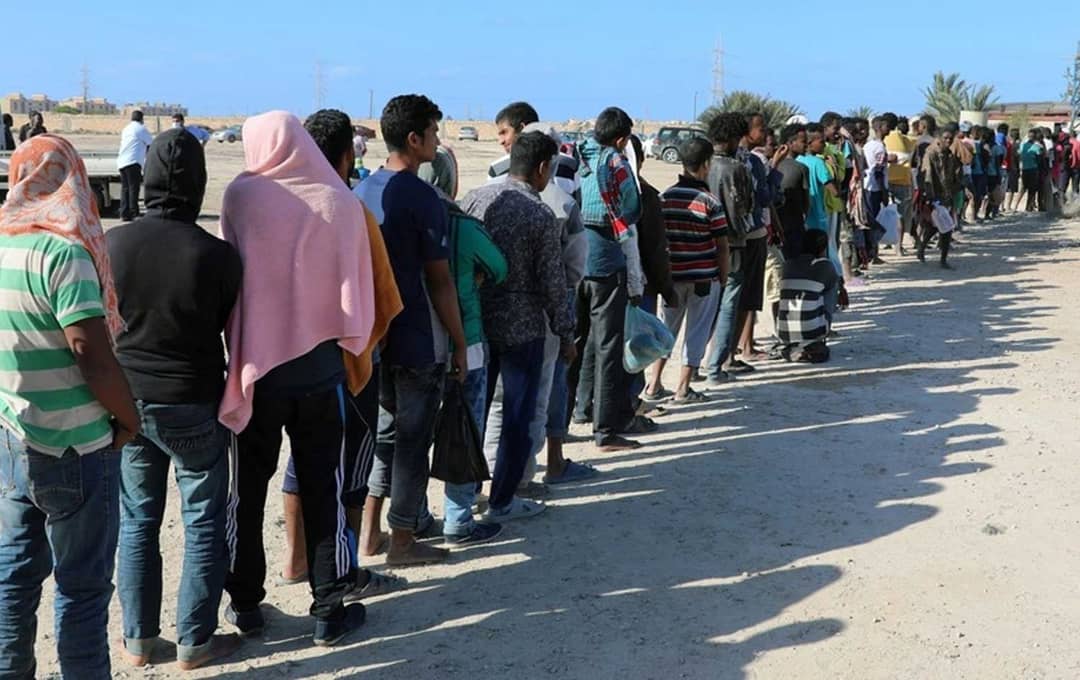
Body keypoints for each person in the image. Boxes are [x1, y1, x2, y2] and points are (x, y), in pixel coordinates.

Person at [219, 111, 375, 646]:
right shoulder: (340, 200)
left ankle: (245, 604)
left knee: (247, 491)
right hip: (321, 372)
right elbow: (357, 286)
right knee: (323, 489)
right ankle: (329, 608)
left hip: (258, 371)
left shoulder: (242, 196)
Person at [0, 134, 141, 680]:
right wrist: (129, 418)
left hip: (14, 435)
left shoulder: (5, 244)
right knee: (82, 587)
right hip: (76, 444)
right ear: (74, 180)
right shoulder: (64, 253)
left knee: (15, 574)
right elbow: (93, 357)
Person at [107, 128, 242, 670]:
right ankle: (194, 643)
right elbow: (227, 325)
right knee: (202, 522)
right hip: (193, 401)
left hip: (128, 402)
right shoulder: (218, 255)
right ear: (199, 184)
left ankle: (138, 641)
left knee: (138, 521)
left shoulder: (114, 244)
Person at [275, 110, 407, 601]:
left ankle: (295, 559)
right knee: (350, 467)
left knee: (301, 460)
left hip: (285, 357)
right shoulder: (350, 211)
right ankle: (346, 570)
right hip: (347, 362)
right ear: (349, 155)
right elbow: (382, 296)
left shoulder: (273, 204)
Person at [354, 95, 466, 567]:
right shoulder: (423, 197)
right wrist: (460, 343)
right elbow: (439, 280)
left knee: (382, 437)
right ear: (415, 138)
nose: (438, 141)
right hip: (416, 335)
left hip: (371, 336)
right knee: (412, 441)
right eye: (434, 132)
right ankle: (403, 540)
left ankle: (369, 532)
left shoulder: (361, 190)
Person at [461, 131, 576, 521]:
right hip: (523, 328)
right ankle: (502, 501)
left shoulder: (475, 199)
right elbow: (553, 282)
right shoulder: (539, 214)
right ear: (543, 168)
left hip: (476, 323)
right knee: (516, 417)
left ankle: (465, 496)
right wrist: (566, 332)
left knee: (473, 414)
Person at [426, 177, 507, 543]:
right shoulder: (463, 228)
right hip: (467, 344)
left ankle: (412, 516)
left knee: (415, 436)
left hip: (415, 344)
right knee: (463, 429)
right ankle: (458, 518)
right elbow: (499, 267)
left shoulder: (399, 217)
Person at [570, 106, 647, 451]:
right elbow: (632, 208)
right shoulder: (616, 163)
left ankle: (567, 420)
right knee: (607, 348)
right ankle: (605, 430)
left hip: (576, 261)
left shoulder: (576, 156)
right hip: (606, 263)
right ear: (621, 139)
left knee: (575, 343)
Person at [646, 137, 729, 403]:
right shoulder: (710, 202)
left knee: (666, 331)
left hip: (672, 277)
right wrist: (723, 277)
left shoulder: (665, 198)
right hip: (704, 277)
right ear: (706, 164)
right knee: (697, 332)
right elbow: (722, 246)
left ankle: (653, 385)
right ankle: (683, 388)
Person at [703, 112, 753, 386]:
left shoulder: (704, 163)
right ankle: (715, 367)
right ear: (734, 138)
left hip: (703, 245)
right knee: (727, 306)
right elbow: (744, 206)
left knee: (704, 309)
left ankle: (695, 364)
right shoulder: (735, 168)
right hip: (732, 244)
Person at [490, 101, 580, 196]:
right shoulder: (569, 164)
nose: (501, 141)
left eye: (504, 132)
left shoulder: (497, 168)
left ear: (522, 129)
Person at [776, 229, 838, 363]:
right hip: (812, 331)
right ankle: (820, 333)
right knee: (832, 285)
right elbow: (830, 286)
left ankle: (797, 345)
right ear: (823, 248)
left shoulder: (787, 264)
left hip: (784, 332)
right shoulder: (824, 265)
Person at [918, 123, 962, 269]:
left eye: (951, 138)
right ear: (939, 138)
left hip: (946, 194)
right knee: (946, 227)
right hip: (934, 196)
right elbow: (927, 175)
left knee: (937, 227)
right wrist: (930, 197)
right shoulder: (931, 153)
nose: (948, 140)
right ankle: (942, 259)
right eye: (945, 138)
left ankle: (922, 249)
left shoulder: (949, 154)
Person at [776, 123, 810, 260]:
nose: (806, 145)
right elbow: (806, 202)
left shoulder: (772, 164)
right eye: (803, 141)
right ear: (790, 143)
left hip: (776, 224)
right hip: (794, 224)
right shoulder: (801, 168)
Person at [884, 112, 915, 254]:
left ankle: (886, 241)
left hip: (885, 181)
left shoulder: (882, 139)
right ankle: (898, 247)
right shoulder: (907, 140)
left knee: (885, 213)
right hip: (903, 180)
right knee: (900, 215)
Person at [117, 110, 153, 221]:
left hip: (122, 161)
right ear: (142, 119)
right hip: (133, 161)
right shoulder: (140, 129)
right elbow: (151, 144)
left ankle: (124, 213)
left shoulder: (126, 128)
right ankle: (134, 213)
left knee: (125, 189)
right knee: (134, 188)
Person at [1019, 129, 1044, 213]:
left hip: (1025, 169)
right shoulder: (1037, 146)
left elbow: (1020, 155)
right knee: (1032, 189)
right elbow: (1039, 158)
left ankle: (1027, 206)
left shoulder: (1023, 145)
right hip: (1033, 169)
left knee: (1026, 188)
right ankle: (1029, 206)